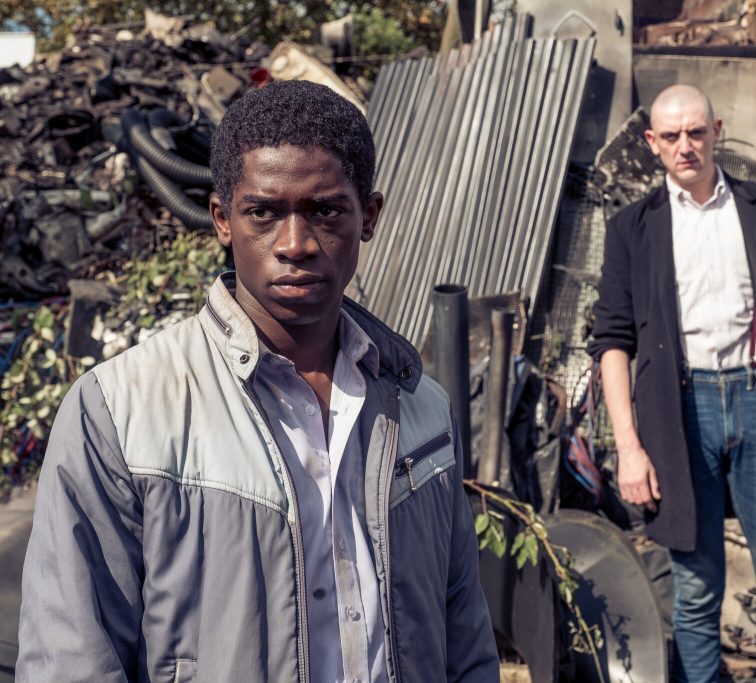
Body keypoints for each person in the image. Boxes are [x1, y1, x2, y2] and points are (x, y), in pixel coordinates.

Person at [17, 80, 499, 682]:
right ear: (223, 219)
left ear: (369, 217)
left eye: (325, 211)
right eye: (264, 213)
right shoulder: (121, 410)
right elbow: (71, 658)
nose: (295, 244)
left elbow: (464, 638)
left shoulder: (421, 408)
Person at [588, 84, 756, 682]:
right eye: (672, 136)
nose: (686, 146)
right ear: (652, 142)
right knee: (696, 589)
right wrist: (628, 447)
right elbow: (612, 342)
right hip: (680, 412)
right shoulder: (632, 228)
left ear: (716, 131)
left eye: (696, 132)